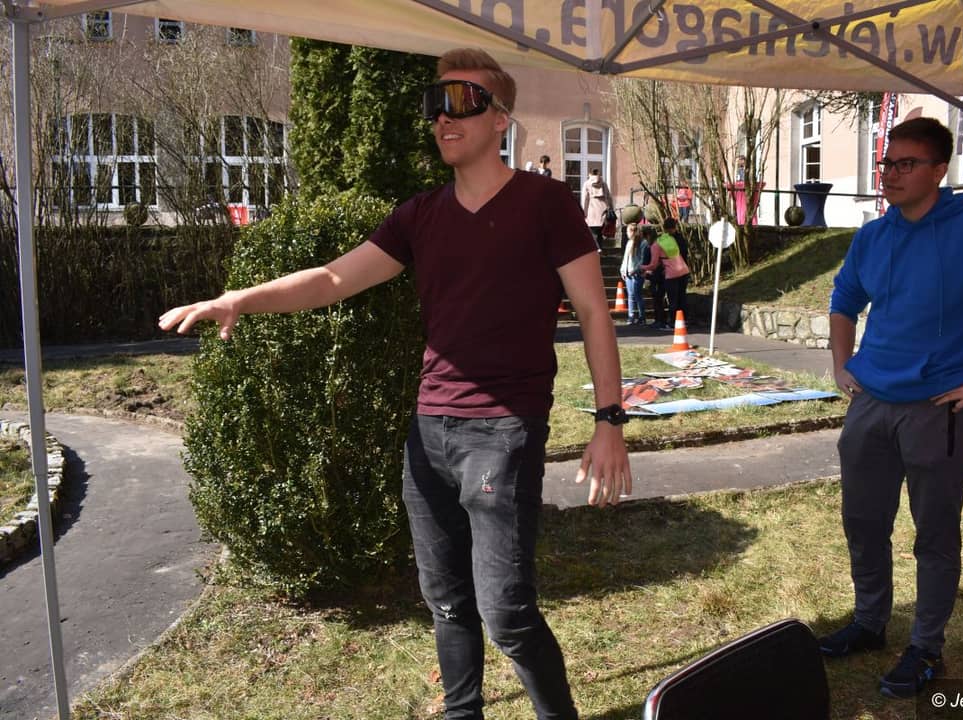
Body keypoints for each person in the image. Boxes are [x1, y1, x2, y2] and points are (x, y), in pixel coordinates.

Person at [158, 48, 632, 720]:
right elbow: (332, 278)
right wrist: (241, 298)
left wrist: (609, 421)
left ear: (501, 118)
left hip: (503, 435)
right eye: (435, 104)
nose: (443, 118)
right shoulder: (420, 215)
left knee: (508, 614)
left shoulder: (545, 203)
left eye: (462, 101)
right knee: (447, 603)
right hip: (428, 436)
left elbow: (591, 310)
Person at [821, 116, 963, 700]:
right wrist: (842, 363)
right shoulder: (874, 236)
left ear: (939, 170)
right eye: (887, 163)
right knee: (863, 521)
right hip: (871, 403)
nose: (890, 174)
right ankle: (869, 622)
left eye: (906, 164)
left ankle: (926, 646)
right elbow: (844, 299)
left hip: (941, 408)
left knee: (935, 534)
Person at [650, 217, 689, 328]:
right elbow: (684, 254)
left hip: (671, 272)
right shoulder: (680, 239)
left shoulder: (666, 240)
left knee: (673, 298)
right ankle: (681, 319)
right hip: (682, 270)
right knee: (680, 296)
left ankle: (673, 321)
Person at [638, 225, 667, 329]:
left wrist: (642, 267)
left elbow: (654, 264)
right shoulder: (658, 243)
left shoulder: (654, 246)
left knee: (657, 298)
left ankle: (660, 321)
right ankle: (659, 320)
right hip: (660, 273)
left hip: (657, 274)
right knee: (658, 298)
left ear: (647, 236)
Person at [619, 222, 646, 325]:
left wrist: (636, 269)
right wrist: (623, 269)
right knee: (630, 295)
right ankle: (631, 316)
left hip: (637, 273)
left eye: (627, 231)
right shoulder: (629, 242)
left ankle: (642, 316)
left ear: (632, 231)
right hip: (628, 272)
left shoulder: (642, 243)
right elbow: (625, 257)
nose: (627, 234)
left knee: (637, 294)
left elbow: (642, 259)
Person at [581, 168, 613, 250]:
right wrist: (611, 208)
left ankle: (596, 250)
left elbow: (585, 199)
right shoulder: (604, 184)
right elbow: (609, 197)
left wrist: (584, 212)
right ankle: (600, 249)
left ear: (590, 174)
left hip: (591, 212)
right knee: (600, 233)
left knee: (593, 233)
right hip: (603, 212)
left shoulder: (587, 184)